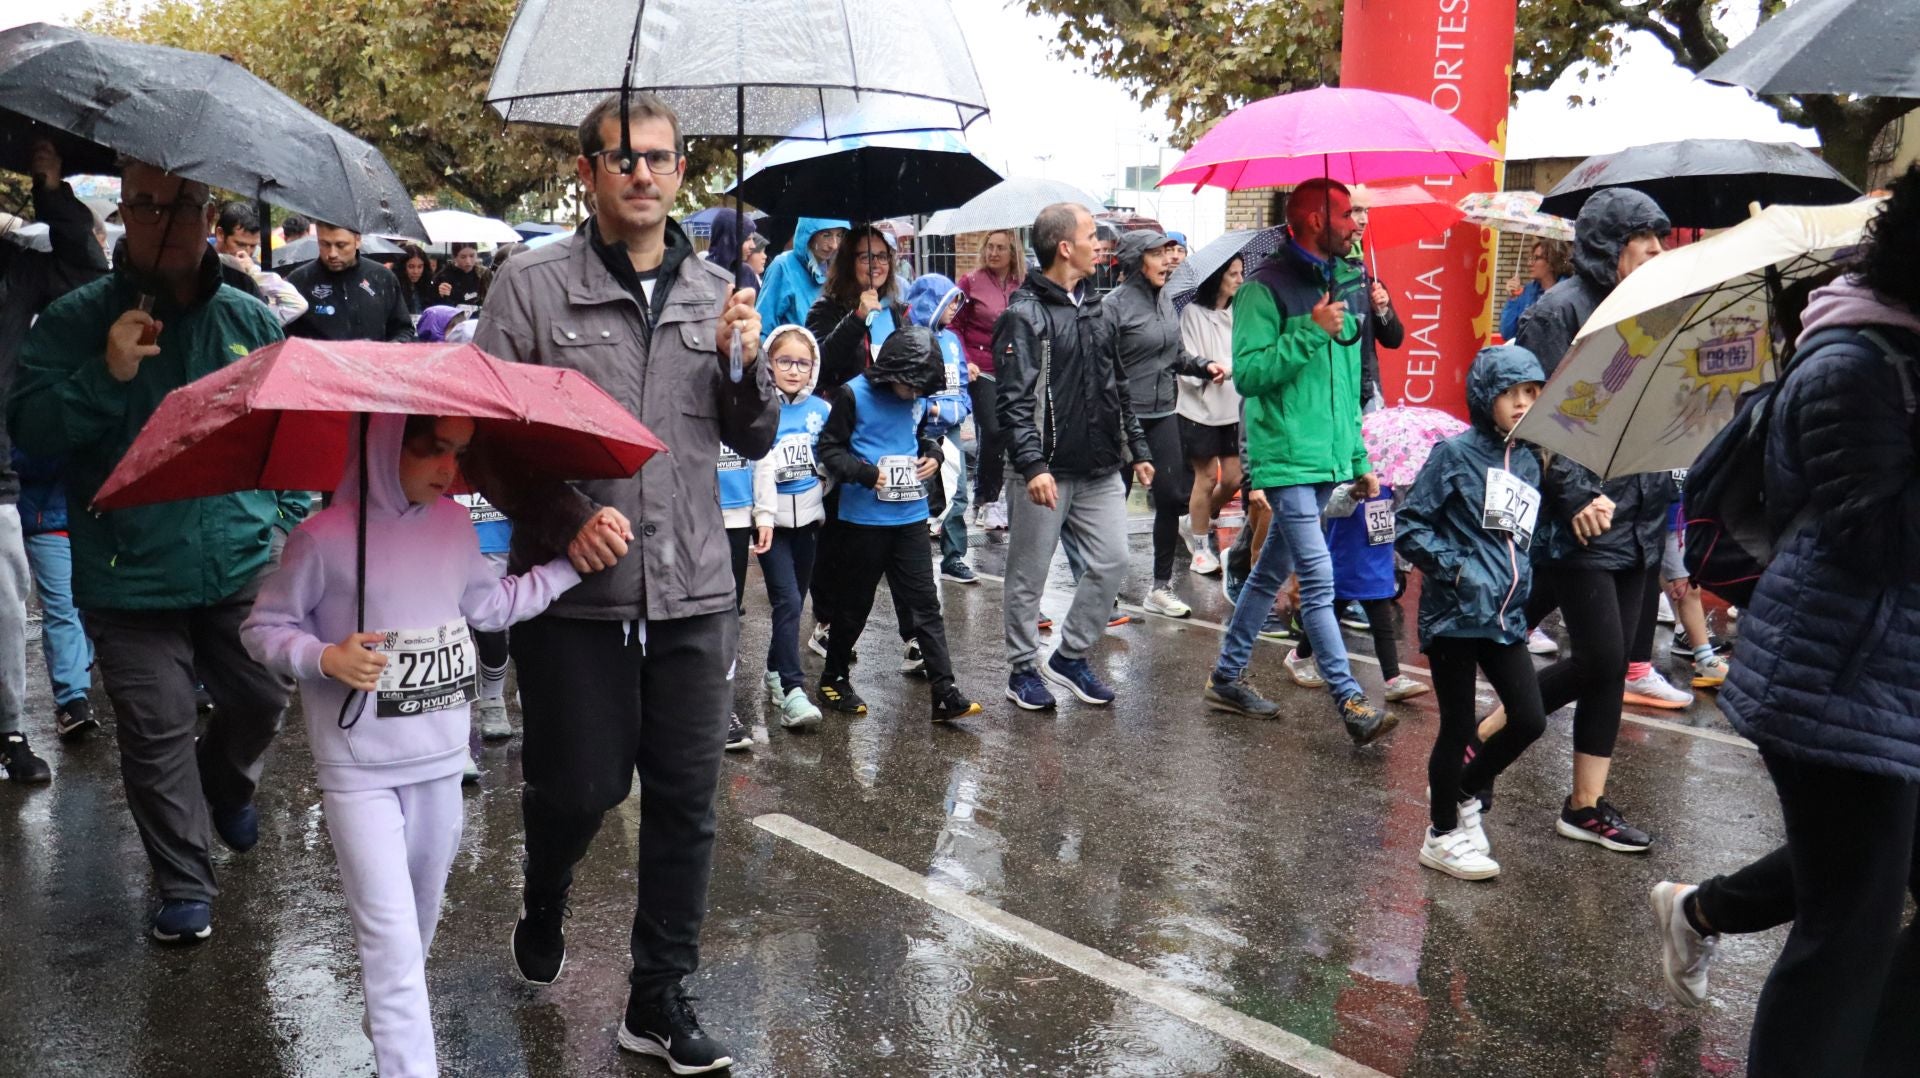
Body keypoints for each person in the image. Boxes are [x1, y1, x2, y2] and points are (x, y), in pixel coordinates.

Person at [465, 90, 771, 1076]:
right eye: (624, 157)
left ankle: (657, 997)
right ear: (589, 173)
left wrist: (745, 364)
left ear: (684, 171)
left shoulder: (718, 288)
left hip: (692, 588)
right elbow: (483, 438)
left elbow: (751, 434)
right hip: (574, 593)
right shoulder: (529, 286)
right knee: (582, 786)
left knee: (687, 797)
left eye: (663, 157)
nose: (645, 173)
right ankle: (545, 885)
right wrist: (562, 520)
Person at [1650, 174, 1920, 1074]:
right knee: (1848, 927)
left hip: (1891, 679)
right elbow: (1882, 536)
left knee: (1859, 882)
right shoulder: (1855, 362)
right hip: (1836, 687)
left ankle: (1701, 911)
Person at [11, 159, 307, 941]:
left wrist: (284, 516)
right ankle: (184, 883)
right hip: (126, 575)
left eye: (183, 205)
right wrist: (103, 374)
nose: (165, 221)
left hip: (239, 564)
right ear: (123, 215)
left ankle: (228, 786)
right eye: (146, 205)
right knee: (157, 726)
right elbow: (31, 434)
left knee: (263, 698)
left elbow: (289, 436)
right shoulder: (75, 320)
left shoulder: (249, 320)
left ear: (209, 214)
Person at [241, 413, 581, 1078]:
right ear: (383, 445)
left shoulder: (455, 527)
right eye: (431, 450)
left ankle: (389, 1018)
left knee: (414, 932)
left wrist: (570, 568)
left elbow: (493, 607)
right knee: (391, 944)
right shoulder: (321, 539)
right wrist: (322, 656)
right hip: (358, 775)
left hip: (441, 768)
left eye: (458, 452)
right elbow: (263, 627)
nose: (447, 468)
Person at [1199, 178, 1394, 744]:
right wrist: (1311, 329)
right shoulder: (1264, 289)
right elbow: (1253, 375)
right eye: (1344, 214)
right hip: (1284, 457)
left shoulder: (1343, 279)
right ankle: (1351, 700)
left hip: (1326, 457)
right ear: (1312, 219)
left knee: (1265, 576)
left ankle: (1226, 677)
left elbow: (1344, 386)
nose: (1356, 223)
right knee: (1318, 574)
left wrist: (1357, 457)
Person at [1508, 187, 1674, 851]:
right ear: (1613, 245)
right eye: (1650, 244)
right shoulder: (1558, 311)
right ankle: (1486, 739)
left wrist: (1672, 476)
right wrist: (1576, 494)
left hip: (1640, 510)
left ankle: (1586, 805)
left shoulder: (1651, 312)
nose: (1661, 255)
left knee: (1610, 668)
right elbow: (1540, 411)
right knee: (1600, 655)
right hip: (1579, 513)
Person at [1395, 345, 1550, 880]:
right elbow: (1409, 524)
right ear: (1488, 397)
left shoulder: (1530, 459)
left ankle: (1460, 792)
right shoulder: (1454, 455)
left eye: (1532, 393)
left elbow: (1527, 536)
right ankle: (1440, 835)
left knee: (1529, 719)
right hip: (1455, 615)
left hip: (1505, 616)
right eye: (1513, 394)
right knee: (1458, 725)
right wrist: (1457, 569)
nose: (1524, 403)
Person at [996, 203, 1152, 711]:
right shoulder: (1023, 315)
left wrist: (1139, 450)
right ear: (1066, 248)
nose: (1100, 243)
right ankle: (1023, 670)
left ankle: (1069, 656)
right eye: (1091, 235)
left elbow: (1119, 386)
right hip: (1043, 474)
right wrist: (1033, 466)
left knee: (1112, 562)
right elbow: (1013, 404)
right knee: (1028, 577)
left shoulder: (1099, 308)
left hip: (1101, 467)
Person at [0, 139, 109, 781]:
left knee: (7, 609)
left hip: (3, 477)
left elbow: (87, 273)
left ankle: (9, 733)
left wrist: (51, 187)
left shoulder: (17, 265)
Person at [814, 327, 981, 722]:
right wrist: (865, 474)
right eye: (909, 385)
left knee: (925, 604)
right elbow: (828, 448)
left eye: (921, 388)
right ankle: (833, 678)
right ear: (891, 371)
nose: (914, 395)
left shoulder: (918, 397)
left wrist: (934, 453)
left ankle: (945, 690)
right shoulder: (854, 395)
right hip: (864, 519)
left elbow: (919, 436)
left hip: (910, 517)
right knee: (855, 605)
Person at [1103, 230, 1225, 618]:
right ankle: (1103, 590)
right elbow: (1102, 370)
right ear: (1137, 260)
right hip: (1123, 417)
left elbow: (1173, 355)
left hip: (1162, 413)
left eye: (1169, 253)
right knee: (1111, 504)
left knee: (1172, 496)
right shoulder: (1114, 306)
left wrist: (1202, 366)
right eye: (1158, 255)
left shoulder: (1166, 301)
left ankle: (1159, 587)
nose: (1169, 261)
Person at [802, 225, 911, 659]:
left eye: (883, 257)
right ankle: (826, 621)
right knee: (835, 530)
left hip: (888, 431)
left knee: (895, 532)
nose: (877, 265)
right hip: (841, 430)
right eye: (867, 257)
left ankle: (914, 634)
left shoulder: (896, 309)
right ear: (849, 264)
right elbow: (821, 363)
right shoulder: (827, 308)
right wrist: (857, 318)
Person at [751, 324, 829, 733]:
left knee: (796, 599)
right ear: (769, 363)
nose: (794, 370)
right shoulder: (760, 407)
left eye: (803, 363)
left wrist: (825, 478)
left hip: (810, 523)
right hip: (773, 524)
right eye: (785, 361)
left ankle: (774, 670)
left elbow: (833, 454)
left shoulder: (822, 410)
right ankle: (794, 691)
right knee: (787, 603)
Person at [14, 449, 95, 741]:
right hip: (47, 520)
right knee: (63, 607)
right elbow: (16, 458)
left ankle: (79, 672)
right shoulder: (32, 406)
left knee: (92, 606)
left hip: (95, 518)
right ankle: (72, 700)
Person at [905, 272, 975, 583]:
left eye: (957, 301)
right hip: (917, 433)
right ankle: (911, 562)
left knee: (958, 495)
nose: (954, 308)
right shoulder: (909, 339)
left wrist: (944, 409)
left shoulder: (953, 341)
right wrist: (924, 409)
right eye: (949, 301)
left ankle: (953, 557)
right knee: (917, 494)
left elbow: (962, 388)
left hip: (950, 430)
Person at [1178, 255, 1243, 576]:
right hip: (1199, 408)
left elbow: (1244, 352)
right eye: (1233, 274)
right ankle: (1201, 547)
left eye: (1241, 273)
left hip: (1233, 405)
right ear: (1217, 277)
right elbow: (1187, 357)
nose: (1239, 280)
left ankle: (1197, 518)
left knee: (1234, 477)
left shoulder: (1240, 312)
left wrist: (1233, 368)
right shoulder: (1192, 313)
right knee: (1204, 478)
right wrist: (1210, 368)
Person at [953, 229, 1022, 530]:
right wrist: (964, 360)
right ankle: (988, 499)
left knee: (1009, 433)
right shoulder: (970, 282)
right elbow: (954, 324)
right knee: (992, 431)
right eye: (989, 247)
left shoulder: (1024, 282)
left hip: (1015, 368)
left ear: (1012, 252)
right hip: (980, 368)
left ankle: (994, 497)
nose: (994, 253)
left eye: (1001, 248)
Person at [287, 223, 416, 342]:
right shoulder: (299, 281)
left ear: (357, 240)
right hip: (316, 365)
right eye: (325, 244)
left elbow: (403, 329)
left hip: (370, 364)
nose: (332, 253)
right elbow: (285, 336)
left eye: (341, 245)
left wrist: (393, 347)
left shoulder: (382, 278)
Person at [756, 217, 849, 334]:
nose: (834, 245)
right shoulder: (783, 266)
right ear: (809, 234)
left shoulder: (838, 270)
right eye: (826, 235)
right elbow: (764, 326)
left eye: (839, 235)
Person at [1499, 237, 1571, 342]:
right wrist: (1513, 299)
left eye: (1536, 258)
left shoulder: (1567, 293)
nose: (1530, 264)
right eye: (1530, 258)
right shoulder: (1527, 292)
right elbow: (1507, 333)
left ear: (1552, 262)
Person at [703, 208, 758, 291]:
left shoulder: (746, 272)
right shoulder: (703, 274)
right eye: (747, 239)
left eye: (752, 239)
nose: (753, 246)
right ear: (730, 238)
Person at [431, 242, 491, 308]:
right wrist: (441, 295)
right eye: (463, 257)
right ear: (454, 257)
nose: (468, 261)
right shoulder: (443, 277)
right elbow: (436, 306)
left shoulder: (483, 273)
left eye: (472, 256)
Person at [396, 243, 436, 318]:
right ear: (403, 267)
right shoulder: (395, 288)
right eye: (411, 267)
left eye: (420, 267)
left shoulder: (427, 286)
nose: (416, 271)